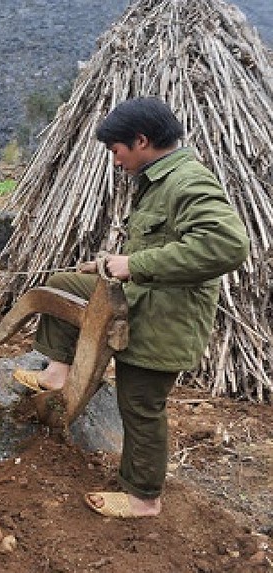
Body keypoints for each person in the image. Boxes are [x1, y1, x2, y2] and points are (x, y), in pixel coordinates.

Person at [13, 97, 250, 518]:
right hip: (142, 299)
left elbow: (227, 245)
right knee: (64, 285)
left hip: (165, 318)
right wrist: (107, 265)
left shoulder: (187, 182)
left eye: (116, 150)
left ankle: (143, 497)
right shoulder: (162, 181)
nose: (115, 161)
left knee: (140, 405)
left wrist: (134, 264)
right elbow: (162, 245)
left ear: (141, 140)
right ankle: (57, 372)